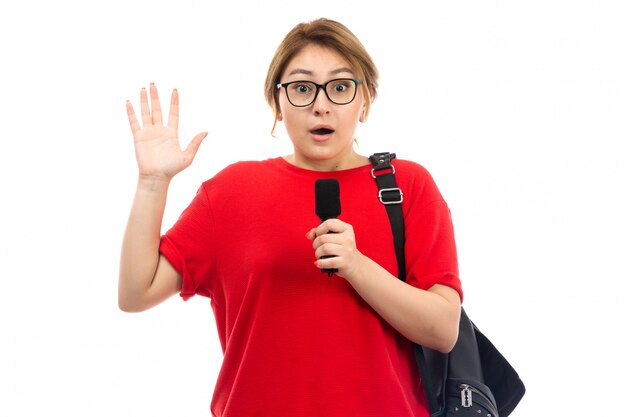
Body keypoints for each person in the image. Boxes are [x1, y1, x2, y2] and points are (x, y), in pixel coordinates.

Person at [119, 18, 462, 417]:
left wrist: (357, 266)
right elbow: (135, 292)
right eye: (301, 88)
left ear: (364, 100)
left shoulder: (407, 186)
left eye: (340, 87)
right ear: (277, 104)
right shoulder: (232, 190)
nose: (321, 105)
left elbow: (443, 330)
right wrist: (152, 182)